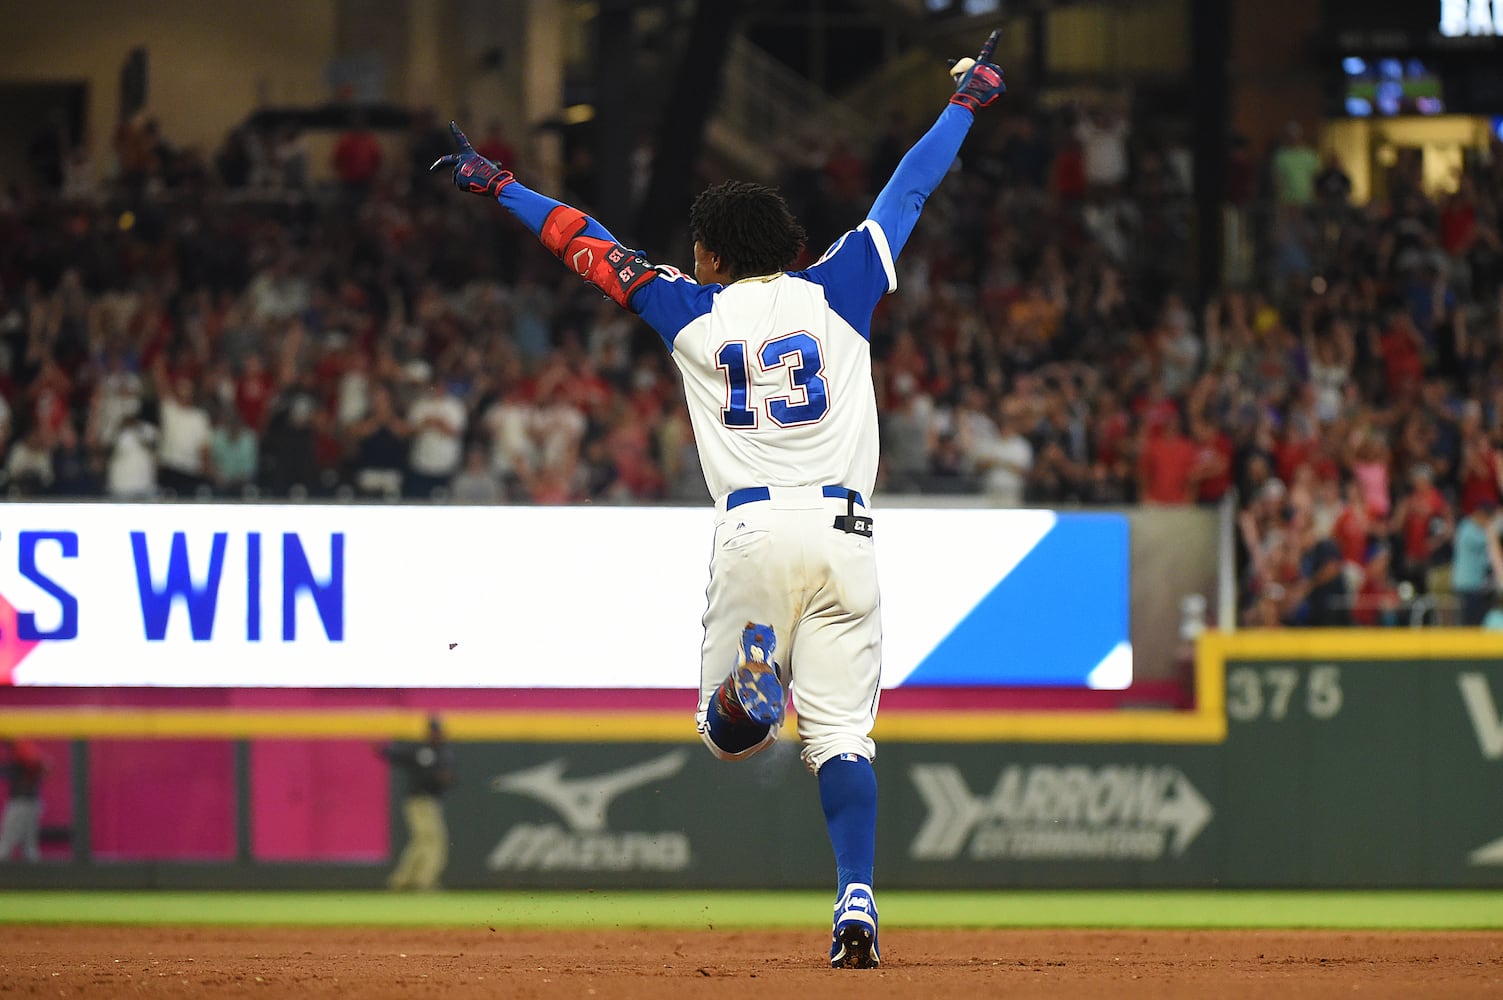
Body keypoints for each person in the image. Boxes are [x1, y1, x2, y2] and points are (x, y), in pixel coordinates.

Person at [432, 30, 1007, 969]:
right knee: (842, 739)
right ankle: (854, 899)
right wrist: (966, 102)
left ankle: (752, 684)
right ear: (788, 245)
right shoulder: (844, 284)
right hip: (845, 532)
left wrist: (499, 184)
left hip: (749, 528)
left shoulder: (685, 307)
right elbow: (909, 187)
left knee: (725, 734)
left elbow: (585, 241)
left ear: (706, 256)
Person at [377, 716, 454, 891]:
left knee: (423, 841)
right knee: (430, 840)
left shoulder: (444, 752)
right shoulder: (420, 750)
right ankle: (421, 881)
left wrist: (445, 779)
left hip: (432, 802)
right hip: (418, 801)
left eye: (438, 731)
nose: (436, 734)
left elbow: (451, 777)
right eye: (433, 731)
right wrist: (381, 750)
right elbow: (397, 756)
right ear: (429, 732)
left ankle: (405, 880)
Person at [0, 739, 48, 862]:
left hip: (22, 803)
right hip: (30, 802)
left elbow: (41, 766)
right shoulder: (20, 752)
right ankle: (37, 878)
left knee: (7, 845)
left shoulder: (23, 749)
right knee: (29, 848)